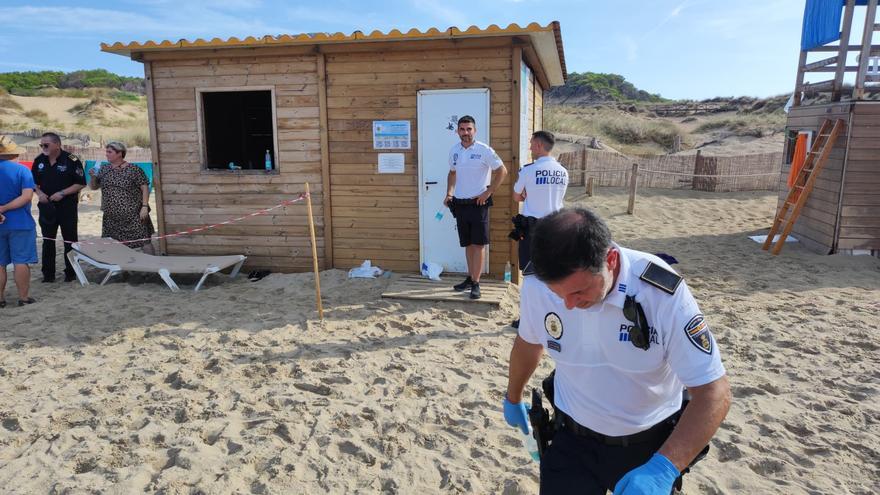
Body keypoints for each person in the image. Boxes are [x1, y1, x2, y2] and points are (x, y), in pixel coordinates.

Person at [503, 207, 731, 494]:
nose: (569, 305)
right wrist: (512, 397)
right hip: (571, 441)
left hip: (648, 447)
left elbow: (715, 392)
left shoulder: (659, 293)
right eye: (559, 295)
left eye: (579, 292)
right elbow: (529, 342)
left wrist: (664, 468)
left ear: (610, 260)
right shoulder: (538, 284)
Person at [443, 115, 508, 299]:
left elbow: (502, 171)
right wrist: (449, 193)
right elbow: (452, 173)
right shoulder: (454, 151)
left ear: (475, 130)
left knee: (478, 245)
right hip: (460, 204)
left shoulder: (484, 150)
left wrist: (488, 192)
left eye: (469, 129)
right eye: (462, 129)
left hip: (479, 204)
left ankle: (477, 283)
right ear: (457, 131)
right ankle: (471, 278)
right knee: (468, 244)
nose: (465, 133)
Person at [511, 130, 568, 327]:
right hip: (556, 226)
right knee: (552, 273)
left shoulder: (528, 170)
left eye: (531, 143)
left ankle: (528, 318)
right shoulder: (563, 171)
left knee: (530, 275)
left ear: (538, 146)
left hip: (533, 228)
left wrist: (528, 194)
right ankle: (552, 315)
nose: (529, 147)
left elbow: (517, 197)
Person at [32, 132, 86, 282]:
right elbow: (33, 183)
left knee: (70, 240)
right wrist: (39, 193)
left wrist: (63, 193)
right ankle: (48, 275)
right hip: (47, 206)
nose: (43, 147)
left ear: (57, 144)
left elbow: (80, 183)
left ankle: (71, 273)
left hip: (67, 206)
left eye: (46, 145)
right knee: (48, 240)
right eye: (41, 145)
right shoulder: (39, 161)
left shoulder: (71, 160)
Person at [89, 141, 155, 253]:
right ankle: (120, 266)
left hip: (134, 215)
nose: (106, 154)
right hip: (111, 217)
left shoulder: (134, 169)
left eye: (109, 152)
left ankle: (154, 267)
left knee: (144, 242)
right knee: (113, 244)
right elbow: (94, 187)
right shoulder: (105, 169)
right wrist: (93, 177)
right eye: (106, 152)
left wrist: (144, 206)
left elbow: (145, 188)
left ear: (119, 153)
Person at [0, 136, 38, 307]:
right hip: (20, 222)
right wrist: (4, 208)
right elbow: (26, 196)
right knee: (21, 261)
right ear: (13, 153)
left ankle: (0, 299)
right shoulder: (22, 171)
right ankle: (23, 297)